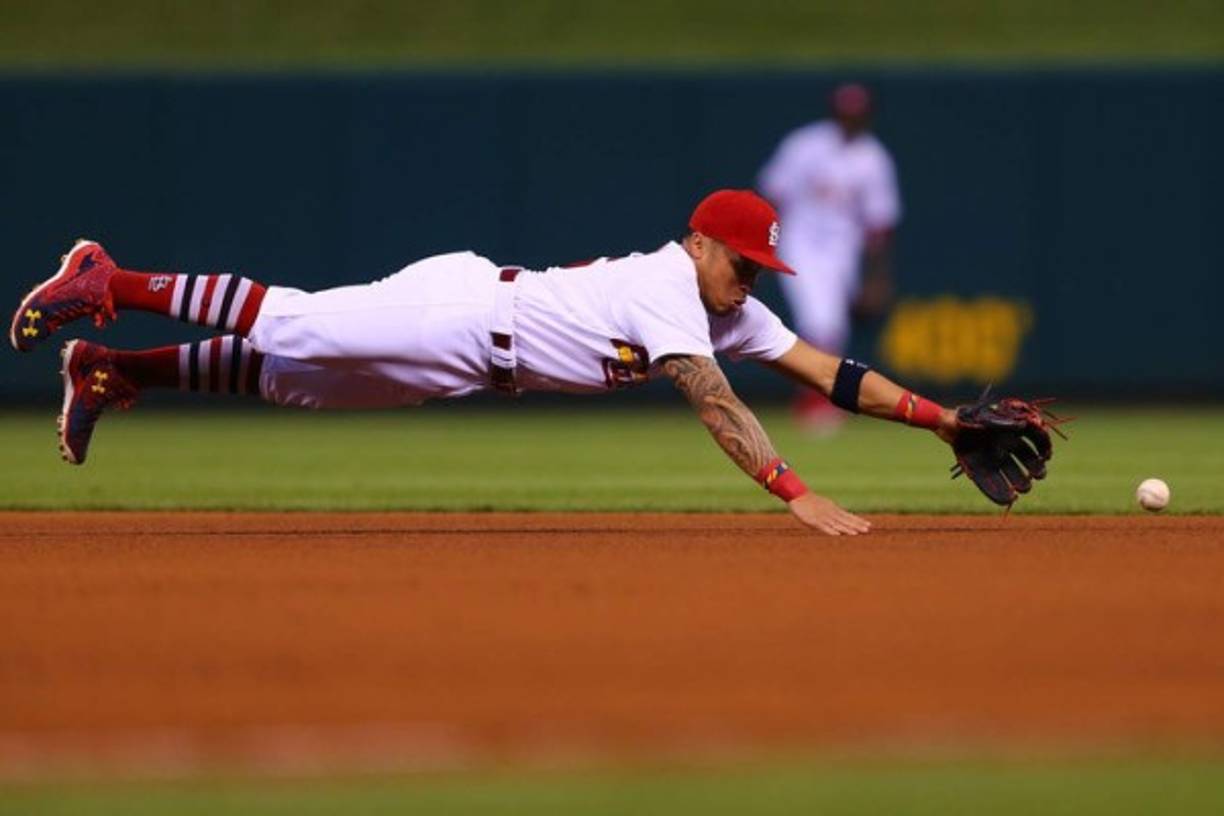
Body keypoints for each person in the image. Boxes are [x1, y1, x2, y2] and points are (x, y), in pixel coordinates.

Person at [10, 190, 1044, 536]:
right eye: (745, 261)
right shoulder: (669, 288)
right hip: (462, 314)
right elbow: (712, 401)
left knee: (294, 380)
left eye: (762, 266)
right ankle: (113, 278)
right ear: (702, 244)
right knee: (294, 329)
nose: (753, 280)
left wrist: (946, 422)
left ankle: (121, 370)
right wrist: (794, 492)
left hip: (468, 363)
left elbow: (832, 373)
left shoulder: (728, 306)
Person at [758, 82, 901, 431]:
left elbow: (880, 225)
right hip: (800, 242)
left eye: (857, 113)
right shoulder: (805, 144)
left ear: (866, 115)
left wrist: (876, 278)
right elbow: (771, 195)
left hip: (842, 249)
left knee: (831, 325)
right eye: (845, 112)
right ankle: (815, 399)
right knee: (818, 320)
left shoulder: (873, 157)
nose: (850, 119)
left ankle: (818, 396)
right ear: (834, 111)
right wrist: (761, 250)